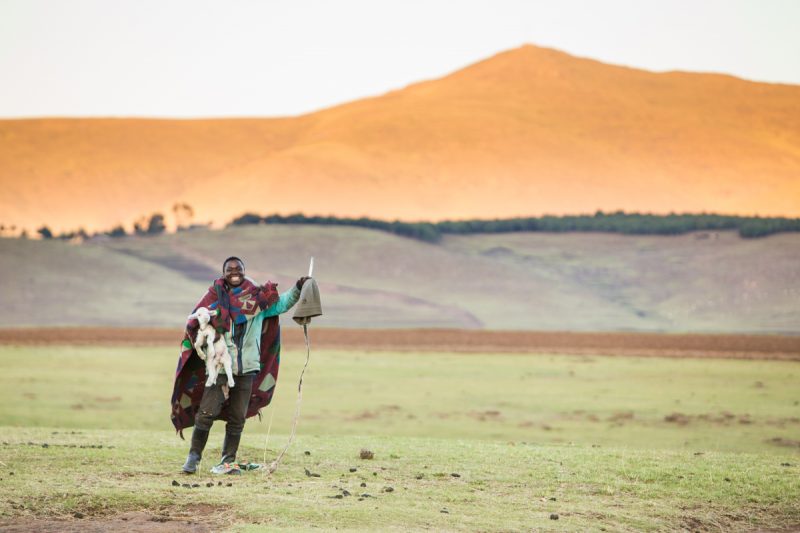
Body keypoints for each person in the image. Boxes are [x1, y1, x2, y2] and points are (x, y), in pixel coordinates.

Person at [172, 256, 309, 475]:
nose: (234, 272)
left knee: (237, 418)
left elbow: (281, 304)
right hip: (218, 368)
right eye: (229, 269)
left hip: (247, 368)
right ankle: (193, 458)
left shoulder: (258, 300)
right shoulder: (213, 299)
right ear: (223, 272)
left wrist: (298, 287)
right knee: (206, 413)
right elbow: (196, 322)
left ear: (244, 271)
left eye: (238, 269)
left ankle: (228, 462)